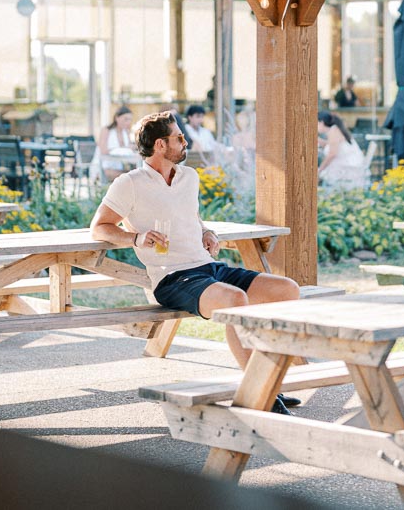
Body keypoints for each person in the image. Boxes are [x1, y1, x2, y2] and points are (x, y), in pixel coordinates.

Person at [89, 111, 302, 413]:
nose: (185, 140)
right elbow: (99, 227)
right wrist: (135, 238)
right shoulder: (130, 183)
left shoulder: (189, 177)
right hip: (172, 278)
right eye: (179, 137)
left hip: (207, 267)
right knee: (234, 299)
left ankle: (269, 381)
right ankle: (260, 393)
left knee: (287, 290)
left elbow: (191, 216)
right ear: (161, 145)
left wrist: (207, 232)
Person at [317, 111, 367, 187]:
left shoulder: (334, 131)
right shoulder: (335, 129)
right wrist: (319, 140)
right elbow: (331, 145)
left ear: (321, 122)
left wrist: (320, 170)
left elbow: (332, 154)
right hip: (352, 168)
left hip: (349, 171)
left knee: (316, 173)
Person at [93, 105, 135, 183]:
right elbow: (103, 151)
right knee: (132, 177)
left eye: (130, 119)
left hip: (119, 166)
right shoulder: (106, 130)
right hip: (102, 166)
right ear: (117, 118)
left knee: (137, 174)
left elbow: (129, 149)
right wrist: (121, 149)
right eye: (126, 119)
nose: (128, 122)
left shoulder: (126, 132)